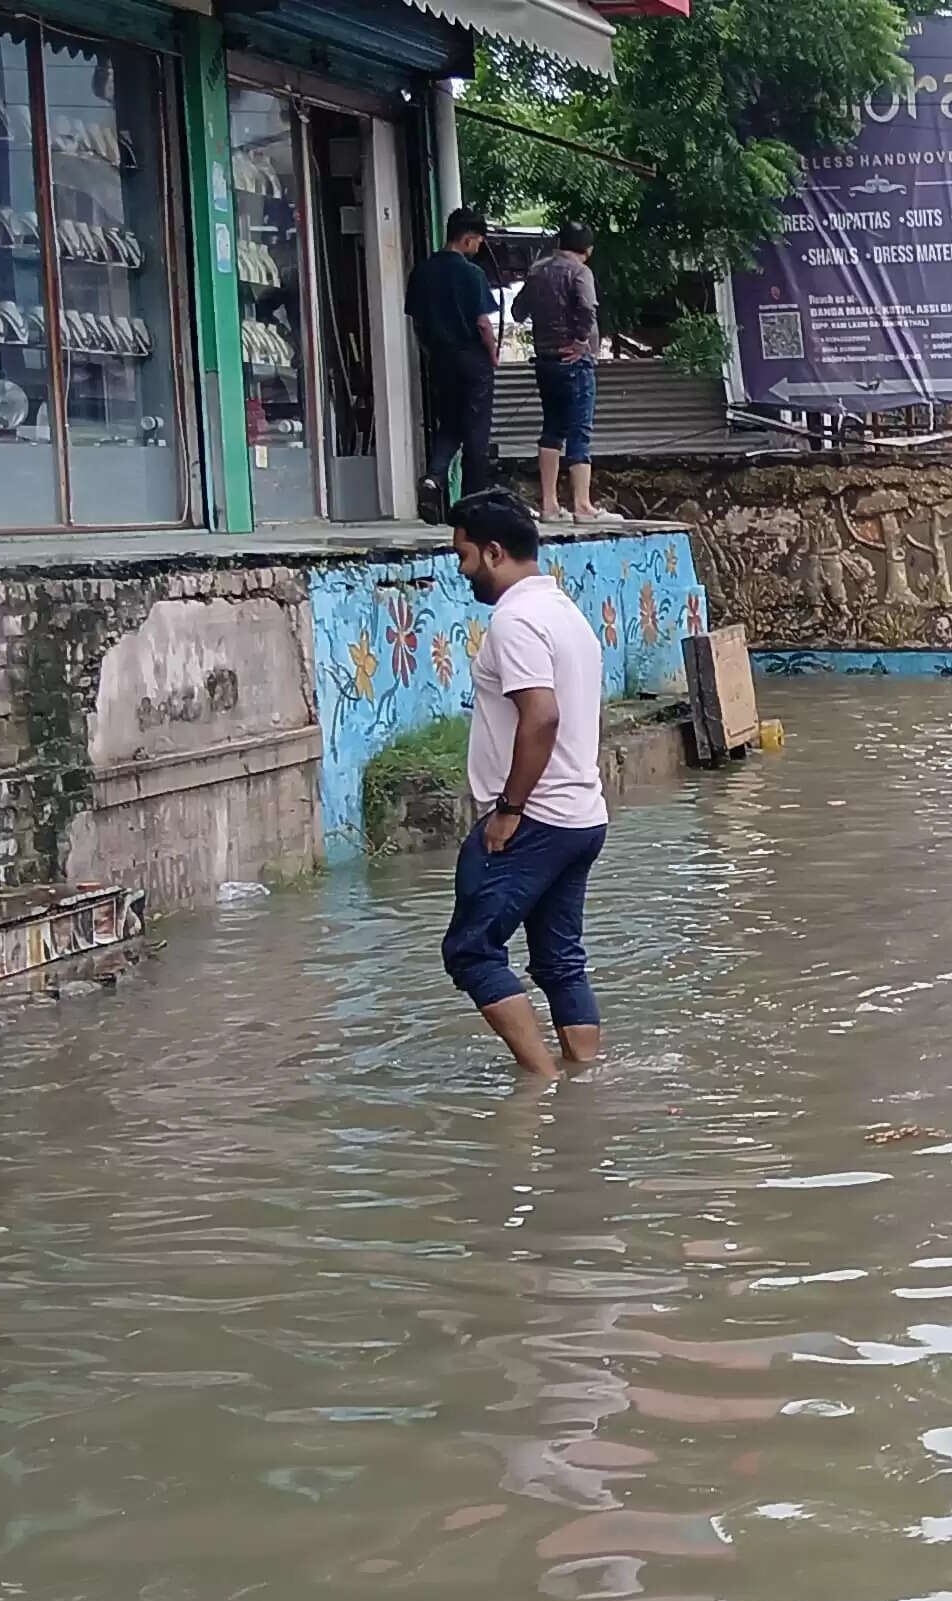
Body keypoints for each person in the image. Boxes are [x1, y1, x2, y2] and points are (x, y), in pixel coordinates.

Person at [439, 491, 608, 1078]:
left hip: (535, 817)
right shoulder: (565, 611)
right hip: (583, 813)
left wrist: (509, 808)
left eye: (463, 557)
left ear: (492, 552)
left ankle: (542, 1083)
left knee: (470, 950)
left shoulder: (514, 620)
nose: (461, 572)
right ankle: (584, 1075)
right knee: (559, 959)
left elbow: (541, 716)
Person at [513, 227, 612, 523]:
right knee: (580, 429)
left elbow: (519, 311)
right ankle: (583, 505)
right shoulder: (580, 273)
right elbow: (587, 307)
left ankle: (549, 505)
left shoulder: (537, 271)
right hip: (574, 362)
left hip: (545, 360)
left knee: (552, 429)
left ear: (559, 243)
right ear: (588, 250)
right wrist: (581, 342)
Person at [407, 208, 497, 519]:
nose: (479, 248)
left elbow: (417, 322)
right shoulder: (472, 274)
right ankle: (473, 507)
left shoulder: (422, 272)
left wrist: (430, 351)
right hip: (472, 359)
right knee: (476, 434)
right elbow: (483, 323)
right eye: (478, 242)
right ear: (469, 239)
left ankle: (434, 478)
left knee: (450, 424)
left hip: (440, 359)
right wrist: (493, 355)